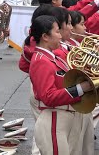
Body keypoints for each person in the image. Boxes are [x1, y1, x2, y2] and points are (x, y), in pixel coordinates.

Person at [29, 14, 93, 155]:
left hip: (63, 118)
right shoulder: (41, 60)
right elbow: (48, 97)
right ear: (45, 36)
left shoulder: (52, 57)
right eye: (57, 31)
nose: (60, 36)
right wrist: (81, 88)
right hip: (53, 119)